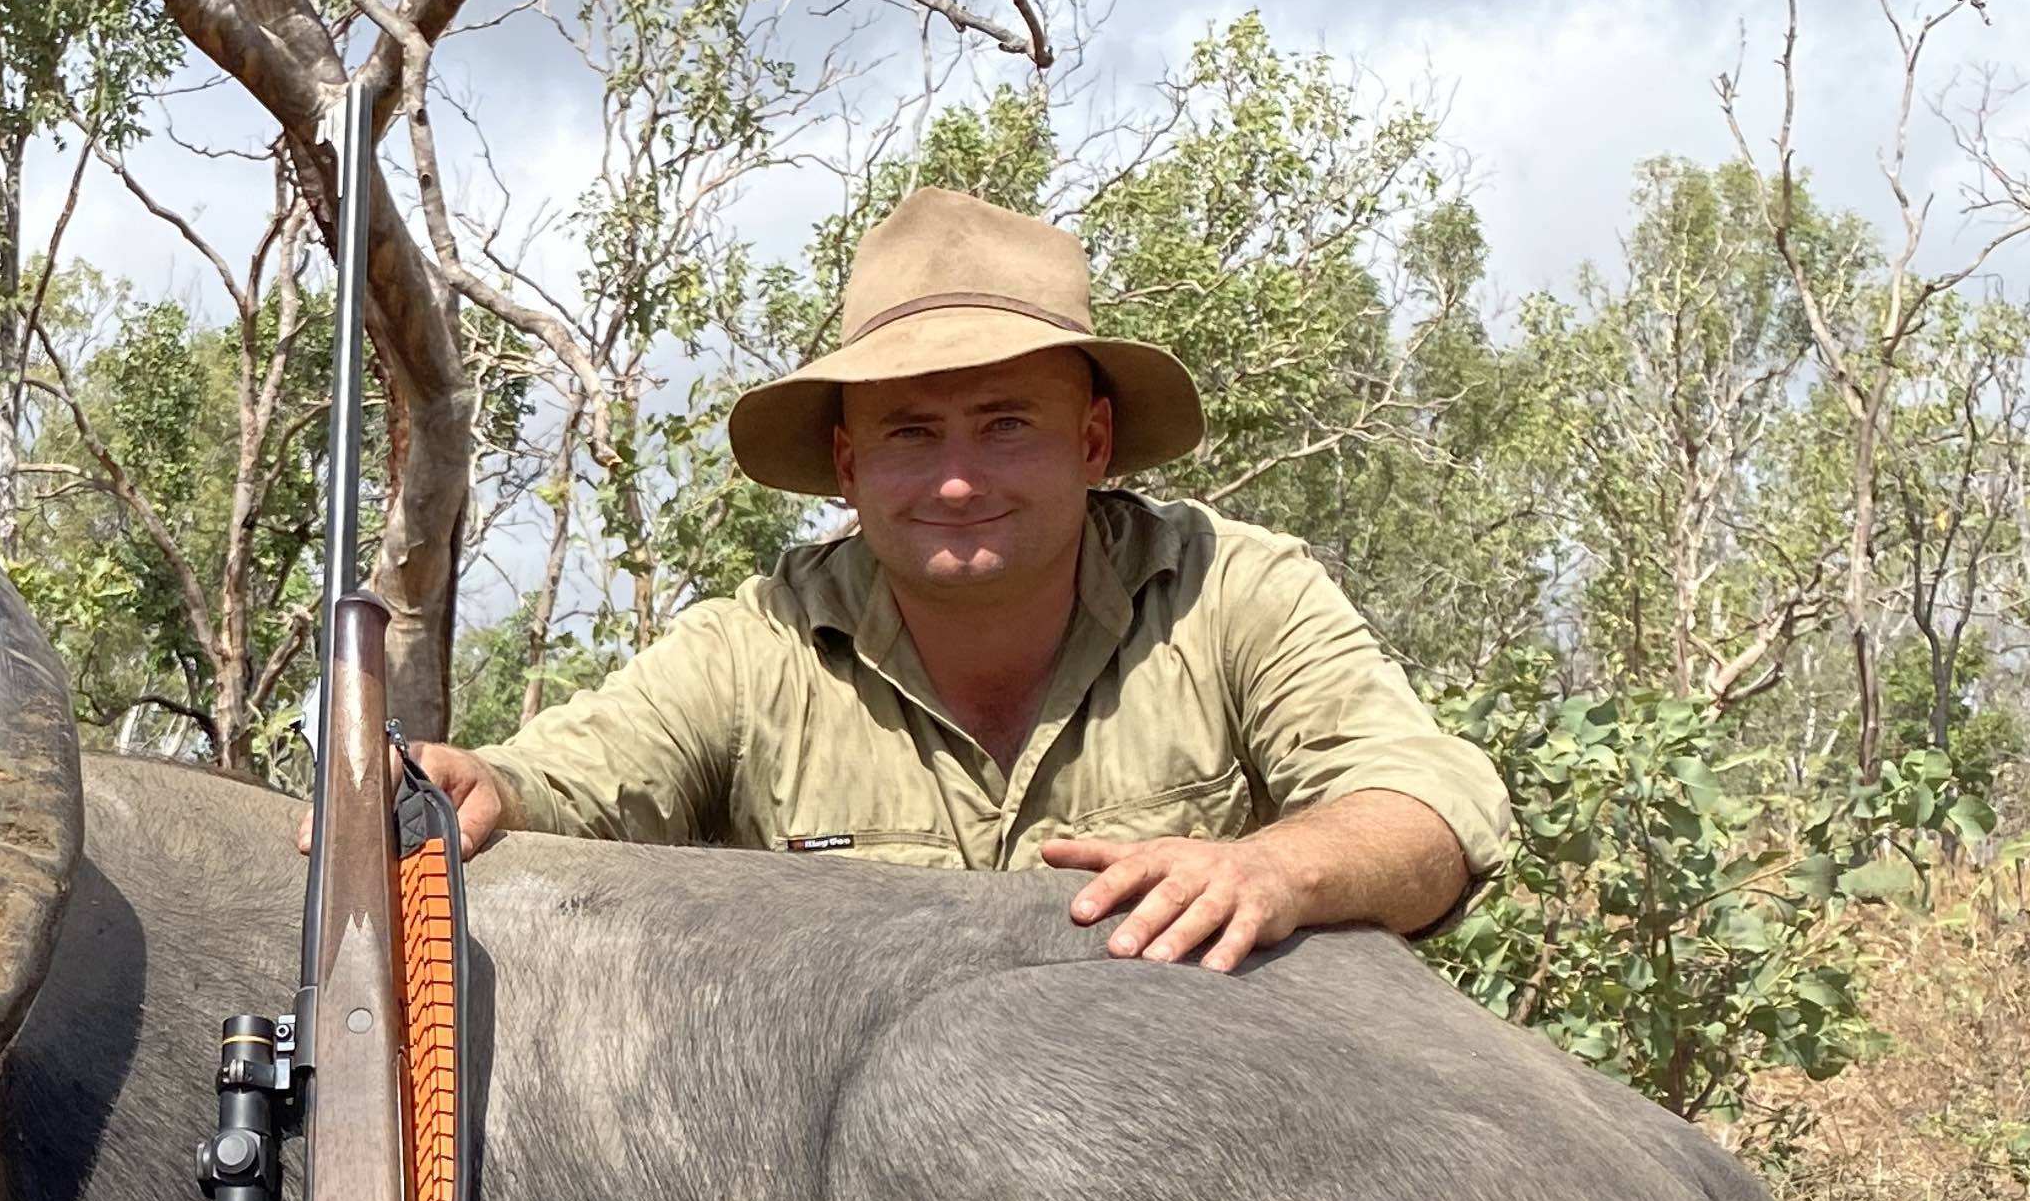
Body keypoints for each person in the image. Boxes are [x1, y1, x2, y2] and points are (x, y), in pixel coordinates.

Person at [418, 187, 1510, 972]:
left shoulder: (1235, 591)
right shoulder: (761, 644)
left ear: (1092, 441)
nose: (954, 481)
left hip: (1199, 1168)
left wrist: (1271, 872)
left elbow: (1430, 811)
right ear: (848, 468)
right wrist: (479, 787)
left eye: (1004, 424)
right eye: (908, 432)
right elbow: (573, 782)